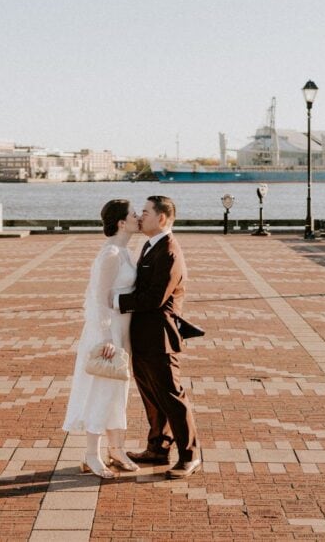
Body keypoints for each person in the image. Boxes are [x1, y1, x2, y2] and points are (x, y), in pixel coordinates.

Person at [117, 195, 201, 479]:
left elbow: (155, 298)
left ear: (162, 218)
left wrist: (117, 301)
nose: (140, 217)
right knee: (151, 396)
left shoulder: (169, 251)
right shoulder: (151, 245)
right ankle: (158, 447)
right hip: (143, 335)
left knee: (171, 397)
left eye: (145, 212)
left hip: (160, 336)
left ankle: (189, 455)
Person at [62, 199, 141, 478]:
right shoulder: (110, 254)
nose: (139, 217)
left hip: (121, 329)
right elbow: (99, 298)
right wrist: (107, 336)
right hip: (107, 331)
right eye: (134, 214)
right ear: (121, 222)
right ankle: (91, 455)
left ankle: (116, 449)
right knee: (102, 388)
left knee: (118, 389)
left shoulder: (123, 251)